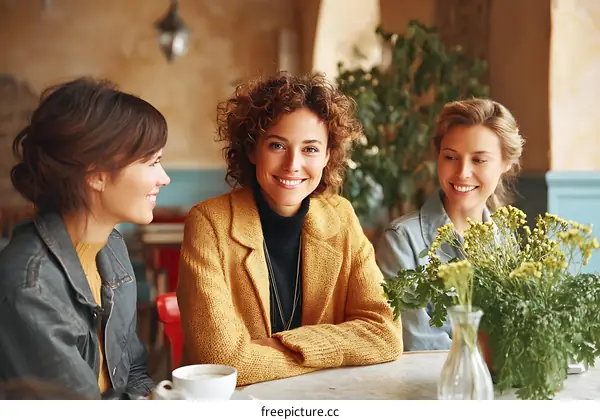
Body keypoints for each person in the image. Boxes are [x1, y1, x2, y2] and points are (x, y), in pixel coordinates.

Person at [177, 72, 403, 386]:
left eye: (310, 149)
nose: (292, 164)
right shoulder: (209, 223)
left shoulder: (342, 217)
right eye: (277, 145)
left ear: (327, 156)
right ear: (253, 149)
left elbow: (385, 333)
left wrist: (277, 351)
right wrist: (330, 352)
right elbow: (221, 361)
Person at [0, 78, 171, 399]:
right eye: (152, 162)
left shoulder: (112, 247)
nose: (164, 178)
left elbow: (132, 371)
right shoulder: (30, 286)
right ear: (97, 174)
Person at [376, 98, 525, 351]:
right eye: (451, 157)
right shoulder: (402, 240)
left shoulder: (506, 242)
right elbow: (418, 343)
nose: (462, 172)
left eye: (479, 160)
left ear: (505, 164)